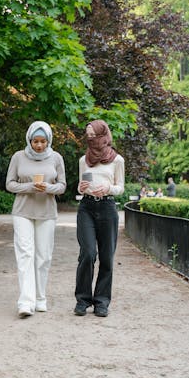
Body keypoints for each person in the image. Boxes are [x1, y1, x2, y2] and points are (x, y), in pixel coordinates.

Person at [5, 121, 66, 318]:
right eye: (35, 141)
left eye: (43, 141)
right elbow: (10, 184)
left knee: (44, 256)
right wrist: (30, 187)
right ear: (29, 139)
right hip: (22, 211)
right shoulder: (18, 157)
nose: (39, 145)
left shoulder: (56, 158)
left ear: (49, 140)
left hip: (47, 212)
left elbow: (62, 186)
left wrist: (48, 188)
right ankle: (25, 301)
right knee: (25, 255)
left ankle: (40, 298)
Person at [74, 120, 125, 317]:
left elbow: (120, 187)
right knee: (87, 254)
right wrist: (81, 188)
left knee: (107, 258)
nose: (90, 138)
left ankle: (102, 302)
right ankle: (82, 299)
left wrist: (109, 189)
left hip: (107, 208)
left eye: (93, 134)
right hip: (86, 207)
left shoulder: (117, 160)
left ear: (102, 134)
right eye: (88, 135)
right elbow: (83, 183)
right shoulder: (83, 160)